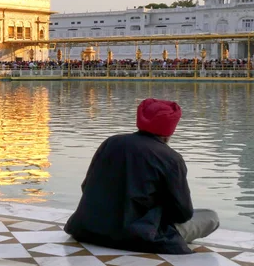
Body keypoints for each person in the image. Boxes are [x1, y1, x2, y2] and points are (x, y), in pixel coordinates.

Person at [64, 98, 219, 255]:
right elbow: (183, 213)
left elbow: (86, 187)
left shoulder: (110, 143)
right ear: (170, 130)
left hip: (88, 229)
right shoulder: (171, 158)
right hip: (138, 236)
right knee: (210, 217)